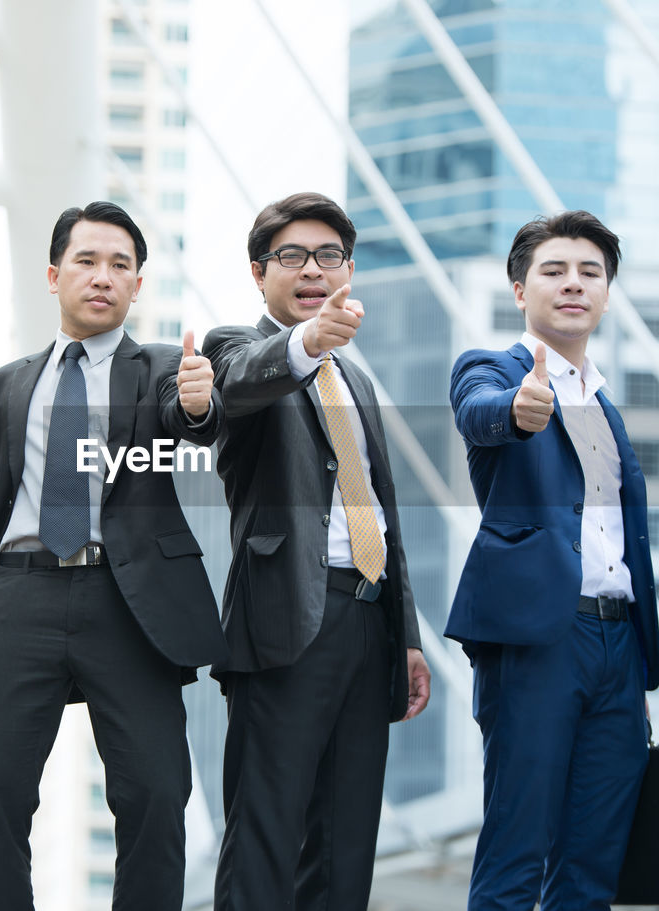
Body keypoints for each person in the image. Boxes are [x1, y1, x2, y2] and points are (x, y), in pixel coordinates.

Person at [0, 200, 227, 910]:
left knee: (157, 797)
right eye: (87, 261)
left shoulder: (163, 367)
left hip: (131, 604)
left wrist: (198, 403)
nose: (102, 277)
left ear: (136, 285)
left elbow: (189, 420)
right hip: (16, 598)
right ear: (53, 273)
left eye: (120, 265)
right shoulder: (4, 385)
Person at [202, 191, 430, 910]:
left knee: (344, 849)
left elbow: (382, 517)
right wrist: (308, 343)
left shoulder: (357, 380)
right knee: (266, 838)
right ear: (257, 271)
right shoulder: (234, 350)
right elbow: (236, 388)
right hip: (286, 622)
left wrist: (409, 639)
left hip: (368, 623)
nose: (312, 270)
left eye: (328, 256)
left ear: (350, 270)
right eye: (292, 256)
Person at [447, 210, 659, 910]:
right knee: (518, 849)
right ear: (519, 289)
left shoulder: (603, 401)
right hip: (541, 636)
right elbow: (481, 411)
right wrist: (518, 408)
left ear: (606, 292)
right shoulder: (493, 368)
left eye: (590, 273)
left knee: (593, 864)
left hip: (618, 641)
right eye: (555, 270)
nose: (574, 284)